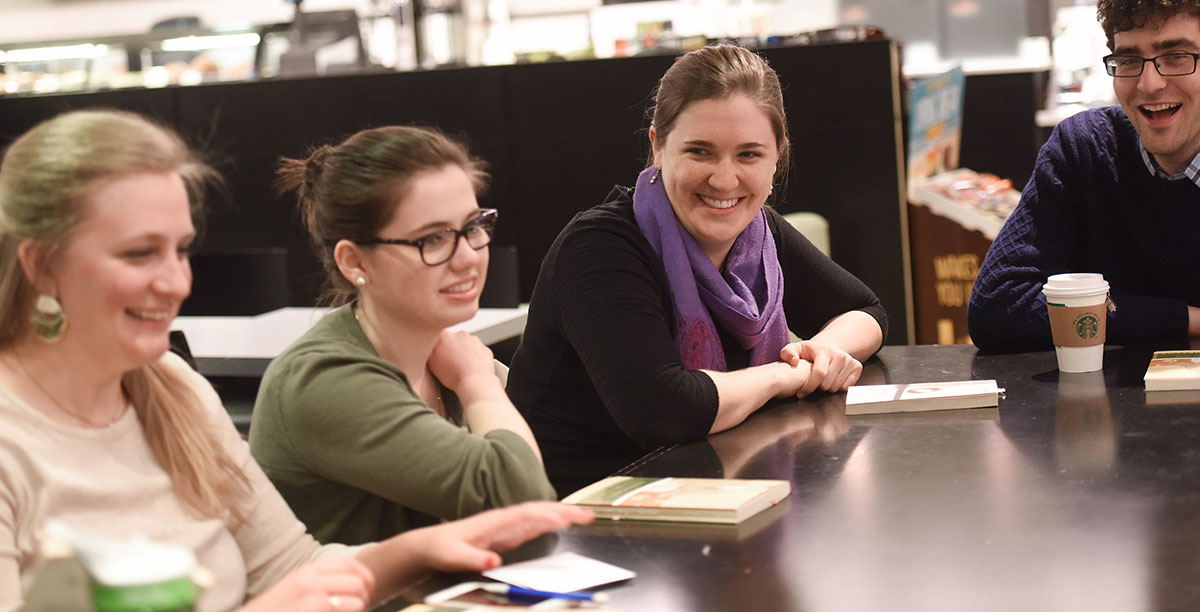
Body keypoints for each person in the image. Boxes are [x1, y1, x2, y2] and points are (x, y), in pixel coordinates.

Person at [0, 110, 590, 612]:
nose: (175, 282)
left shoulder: (172, 387)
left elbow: (289, 565)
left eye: (180, 250)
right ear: (41, 265)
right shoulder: (16, 437)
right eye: (138, 254)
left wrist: (420, 552)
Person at [506, 43, 888, 495]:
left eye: (749, 155)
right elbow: (665, 411)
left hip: (701, 490)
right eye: (700, 152)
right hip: (583, 515)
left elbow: (866, 310)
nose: (725, 181)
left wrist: (819, 351)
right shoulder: (598, 248)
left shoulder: (758, 233)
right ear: (658, 147)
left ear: (777, 156)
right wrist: (786, 376)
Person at [248, 126, 555, 545]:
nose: (468, 257)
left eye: (473, 227)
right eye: (432, 238)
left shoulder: (447, 356)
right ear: (355, 261)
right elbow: (523, 505)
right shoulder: (325, 379)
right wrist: (477, 383)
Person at [968, 0, 1200, 353]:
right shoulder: (1085, 149)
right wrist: (1187, 319)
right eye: (1129, 59)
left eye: (1175, 57)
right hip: (1107, 410)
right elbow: (998, 307)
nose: (1149, 84)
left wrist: (1092, 312)